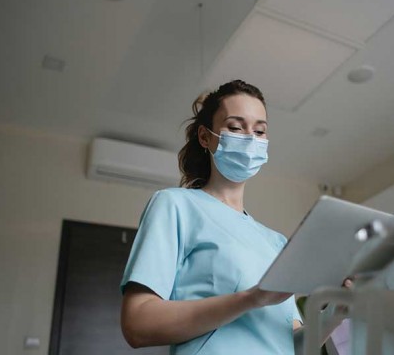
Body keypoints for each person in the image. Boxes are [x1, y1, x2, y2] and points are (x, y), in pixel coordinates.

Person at [120, 80, 305, 354]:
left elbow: (295, 345)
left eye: (260, 130)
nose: (250, 138)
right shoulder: (176, 205)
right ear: (205, 137)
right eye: (235, 127)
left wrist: (338, 310)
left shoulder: (276, 242)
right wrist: (252, 298)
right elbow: (138, 323)